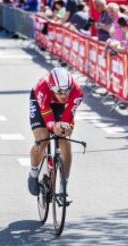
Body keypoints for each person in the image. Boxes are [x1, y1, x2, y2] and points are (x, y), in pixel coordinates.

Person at [28, 68, 83, 197]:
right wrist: (53, 126)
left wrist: (64, 127)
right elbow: (48, 119)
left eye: (67, 91)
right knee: (43, 139)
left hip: (61, 107)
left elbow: (68, 115)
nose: (64, 95)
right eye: (60, 92)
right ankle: (33, 173)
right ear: (52, 87)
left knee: (65, 140)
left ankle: (64, 184)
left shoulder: (77, 92)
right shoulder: (42, 87)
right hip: (41, 103)